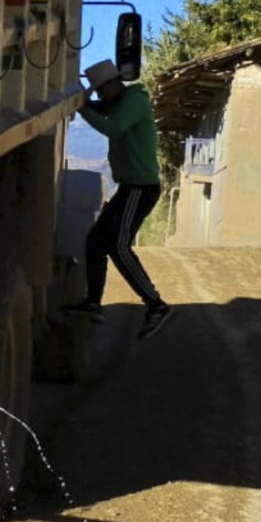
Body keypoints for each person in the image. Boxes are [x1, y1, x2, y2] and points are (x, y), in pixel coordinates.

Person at [69, 59, 172, 340]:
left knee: (118, 245)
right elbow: (98, 108)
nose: (101, 96)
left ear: (114, 84)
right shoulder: (119, 102)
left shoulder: (134, 102)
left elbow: (114, 128)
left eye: (102, 90)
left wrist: (82, 106)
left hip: (140, 188)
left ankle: (156, 304)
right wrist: (83, 101)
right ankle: (93, 302)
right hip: (129, 188)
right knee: (95, 242)